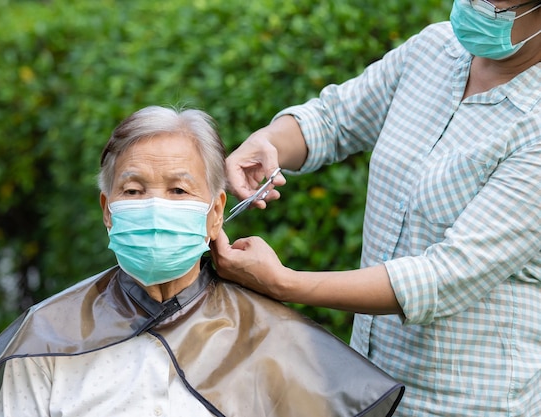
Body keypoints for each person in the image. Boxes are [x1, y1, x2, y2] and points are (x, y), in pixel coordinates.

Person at [0, 106, 404, 417]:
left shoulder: (276, 343)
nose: (155, 206)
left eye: (179, 190)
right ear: (107, 211)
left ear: (216, 211)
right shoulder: (47, 337)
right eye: (134, 190)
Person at [211, 1, 541, 416]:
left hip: (466, 402)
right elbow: (334, 119)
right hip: (369, 385)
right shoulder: (435, 50)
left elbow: (446, 275)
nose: (476, 4)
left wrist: (284, 283)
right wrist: (269, 143)